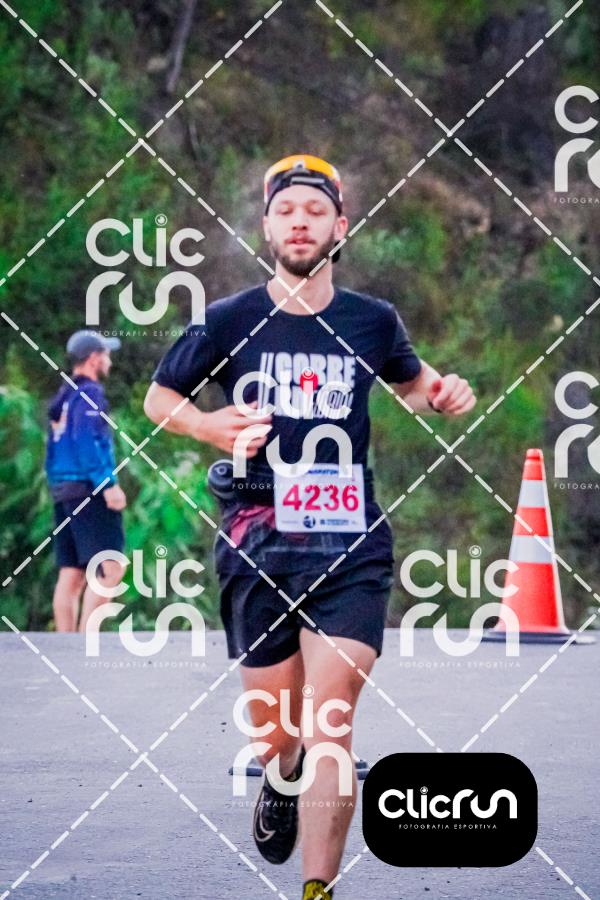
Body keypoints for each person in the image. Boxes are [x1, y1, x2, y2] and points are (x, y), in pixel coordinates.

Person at [144, 154, 476, 900]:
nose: (300, 222)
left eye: (315, 211)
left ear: (340, 227)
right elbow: (159, 398)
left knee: (332, 719)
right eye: (286, 211)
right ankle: (280, 772)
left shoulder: (372, 320)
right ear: (267, 228)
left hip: (348, 540)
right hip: (256, 542)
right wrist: (207, 425)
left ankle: (316, 889)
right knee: (277, 733)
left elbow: (414, 384)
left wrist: (442, 393)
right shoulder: (227, 320)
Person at [46, 330, 127, 633]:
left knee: (72, 572)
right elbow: (86, 441)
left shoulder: (64, 396)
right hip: (86, 489)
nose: (109, 361)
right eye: (106, 355)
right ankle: (84, 641)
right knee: (112, 566)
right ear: (94, 358)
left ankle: (65, 645)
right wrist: (108, 484)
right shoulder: (90, 393)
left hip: (63, 489)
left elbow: (54, 447)